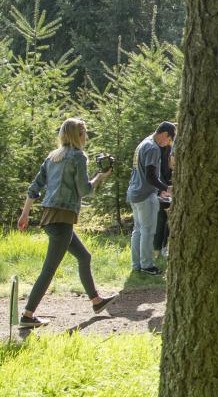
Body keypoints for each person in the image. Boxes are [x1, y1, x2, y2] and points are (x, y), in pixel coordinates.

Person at [16, 118, 119, 328]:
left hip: (50, 217)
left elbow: (34, 187)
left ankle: (96, 302)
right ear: (78, 135)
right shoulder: (78, 157)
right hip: (62, 219)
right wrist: (99, 176)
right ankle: (27, 315)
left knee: (84, 256)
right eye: (85, 133)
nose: (86, 137)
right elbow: (84, 190)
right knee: (49, 269)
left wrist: (25, 214)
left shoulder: (53, 157)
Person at [127, 121, 176, 276]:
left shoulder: (144, 143)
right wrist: (166, 188)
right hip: (144, 195)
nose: (168, 145)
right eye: (169, 140)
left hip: (134, 193)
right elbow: (150, 176)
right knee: (148, 231)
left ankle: (137, 265)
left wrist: (158, 192)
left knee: (138, 231)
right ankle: (147, 265)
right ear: (164, 134)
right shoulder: (153, 147)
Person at [152, 144, 173, 258]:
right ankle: (159, 249)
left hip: (165, 189)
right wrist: (164, 189)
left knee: (164, 219)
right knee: (163, 219)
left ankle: (159, 249)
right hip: (164, 190)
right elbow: (160, 173)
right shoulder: (162, 150)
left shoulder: (166, 149)